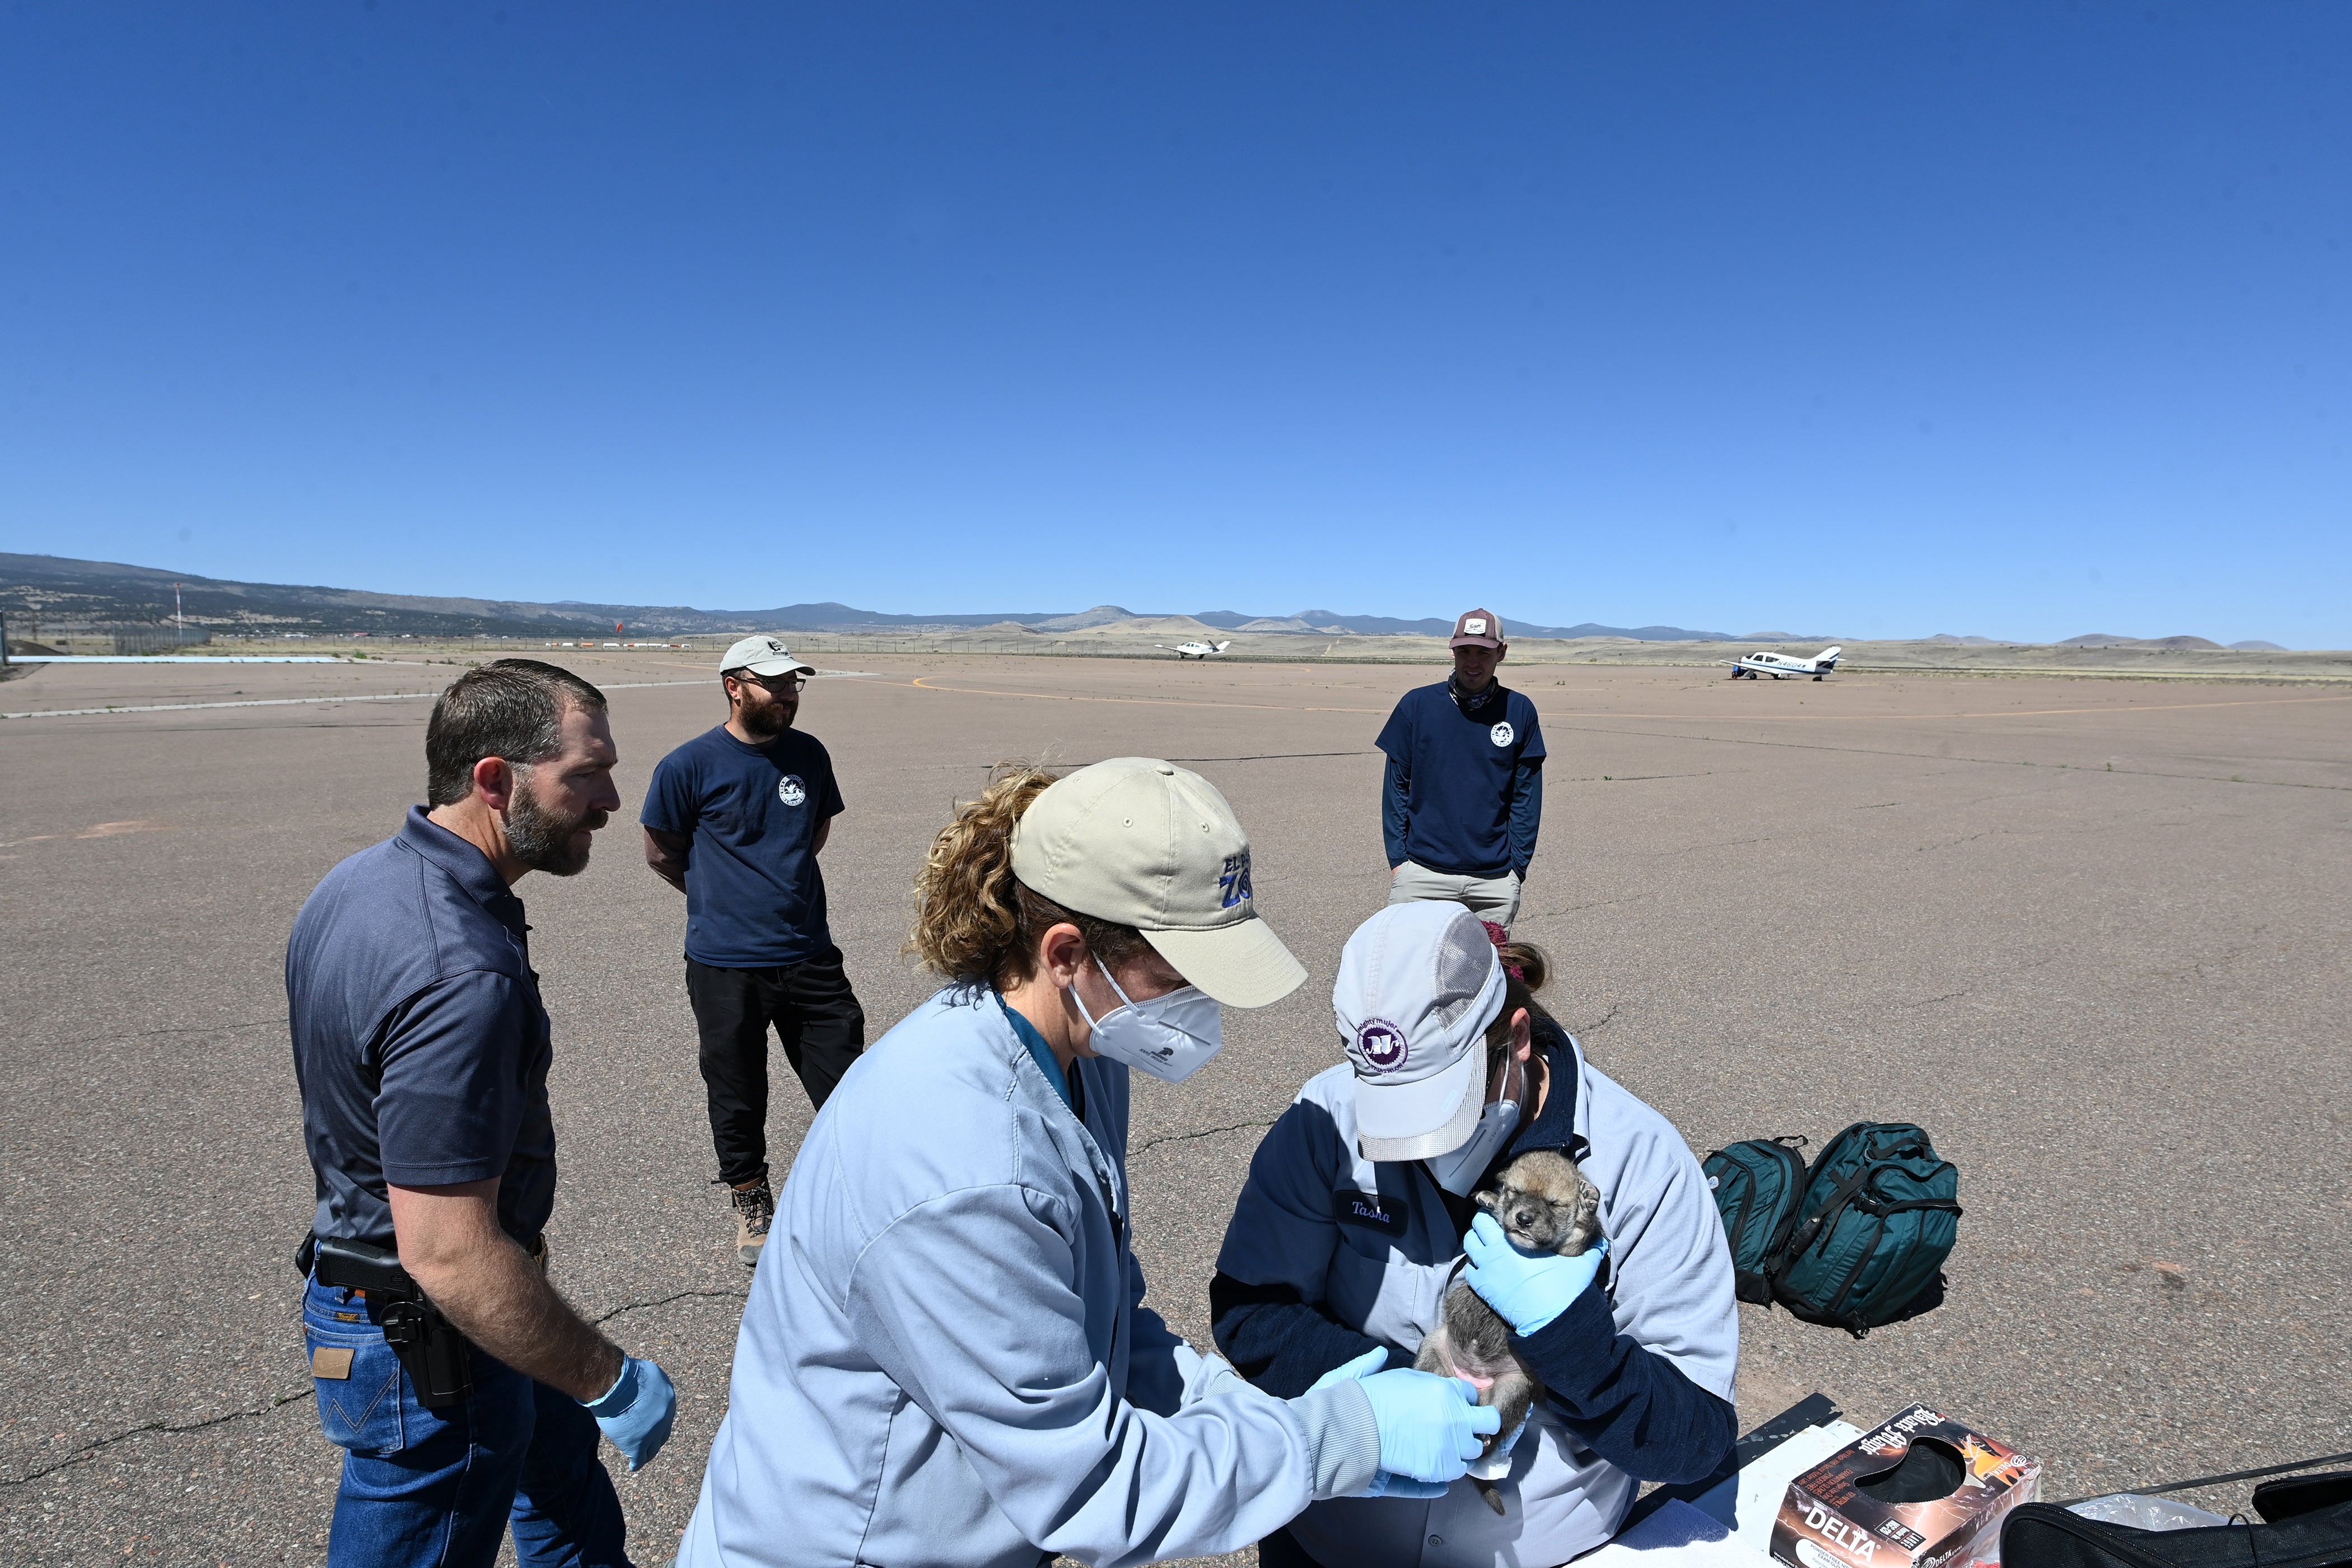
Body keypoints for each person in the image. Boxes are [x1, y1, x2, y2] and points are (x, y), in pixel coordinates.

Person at [676, 758, 1502, 1568]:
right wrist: (1338, 1438)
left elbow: (1100, 1330)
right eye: (1181, 976)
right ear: (1067, 952)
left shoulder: (1082, 1052)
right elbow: (1095, 1488)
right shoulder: (961, 1167)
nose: (1202, 1007)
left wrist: (1254, 1409)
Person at [287, 660, 677, 1568]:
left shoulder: (355, 883)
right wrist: (608, 1379)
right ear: (494, 781)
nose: (613, 799)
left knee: (567, 1502)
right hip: (437, 1337)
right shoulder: (461, 969)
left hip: (446, 1305)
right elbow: (449, 1250)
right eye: (585, 774)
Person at [1211, 900, 1738, 1568]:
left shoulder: (1644, 1161)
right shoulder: (1327, 1118)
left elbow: (1695, 1441)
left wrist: (1576, 1344)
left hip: (1547, 1551)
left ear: (1517, 1040)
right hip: (1329, 1545)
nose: (1423, 1150)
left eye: (1447, 1110)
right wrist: (1391, 1393)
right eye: (1394, 1117)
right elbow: (1249, 1310)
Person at [642, 633, 866, 1268]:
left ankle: (858, 1192)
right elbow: (662, 851)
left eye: (796, 682)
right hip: (724, 961)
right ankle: (750, 1198)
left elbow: (812, 831)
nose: (789, 693)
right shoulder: (688, 765)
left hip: (808, 951)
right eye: (776, 682)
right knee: (736, 1086)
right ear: (734, 686)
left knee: (849, 1080)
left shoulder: (809, 756)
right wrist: (719, 895)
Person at [1378, 608, 1547, 928]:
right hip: (1422, 875)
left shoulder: (1520, 710)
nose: (1473, 662)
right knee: (1412, 972)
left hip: (1494, 883)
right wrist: (1399, 861)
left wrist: (1517, 869)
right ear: (1452, 651)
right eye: (1464, 651)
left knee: (1485, 975)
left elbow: (1527, 796)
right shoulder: (1417, 706)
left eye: (1483, 652)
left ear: (1502, 653)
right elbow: (1396, 788)